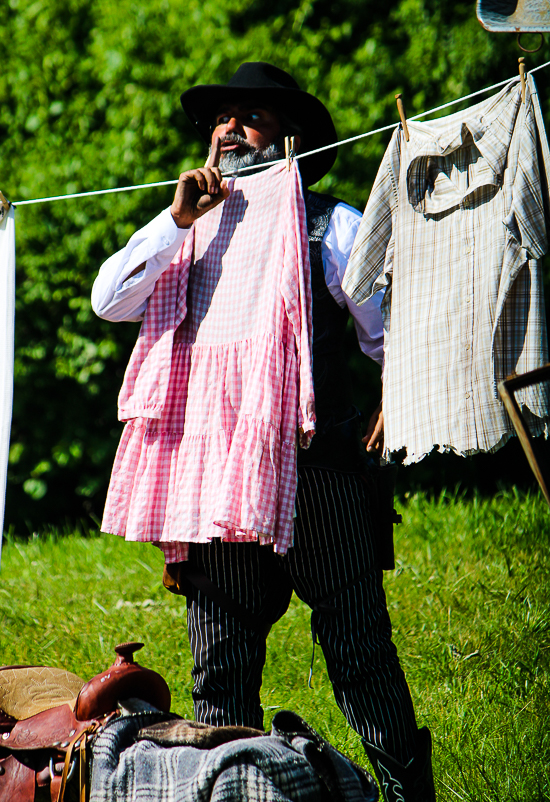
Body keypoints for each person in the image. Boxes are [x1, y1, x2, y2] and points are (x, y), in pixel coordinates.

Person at [92, 62, 436, 802]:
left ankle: (408, 794)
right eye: (222, 116)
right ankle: (233, 791)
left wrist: (389, 402)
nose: (228, 128)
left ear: (292, 140)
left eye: (249, 117)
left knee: (359, 651)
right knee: (220, 665)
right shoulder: (181, 227)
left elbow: (390, 330)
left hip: (317, 473)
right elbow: (108, 300)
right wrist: (175, 220)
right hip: (214, 482)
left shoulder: (329, 223)